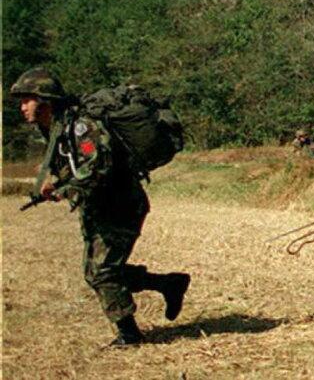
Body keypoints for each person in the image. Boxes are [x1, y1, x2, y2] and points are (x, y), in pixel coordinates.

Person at [10, 67, 190, 346]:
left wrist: (64, 190)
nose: (21, 107)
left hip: (120, 205)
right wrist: (57, 183)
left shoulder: (80, 125)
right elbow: (76, 166)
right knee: (97, 272)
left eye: (26, 100)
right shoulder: (56, 127)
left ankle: (129, 335)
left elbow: (99, 165)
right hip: (101, 207)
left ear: (45, 99)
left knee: (102, 272)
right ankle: (168, 284)